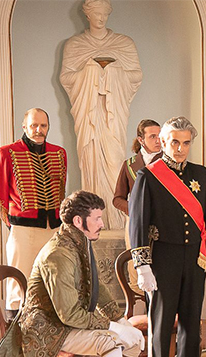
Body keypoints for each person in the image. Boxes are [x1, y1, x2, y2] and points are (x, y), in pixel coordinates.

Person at [0, 191, 176, 357]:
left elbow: (98, 290)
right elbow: (68, 314)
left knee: (132, 342)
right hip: (47, 332)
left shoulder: (79, 243)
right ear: (79, 221)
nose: (102, 223)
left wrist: (122, 322)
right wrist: (114, 329)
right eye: (97, 218)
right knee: (110, 342)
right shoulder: (58, 254)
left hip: (68, 324)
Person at [129, 116, 206, 357]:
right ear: (163, 142)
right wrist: (142, 265)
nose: (180, 149)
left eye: (186, 143)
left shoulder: (200, 173)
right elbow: (138, 224)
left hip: (195, 258)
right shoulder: (148, 176)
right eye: (174, 142)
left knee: (192, 323)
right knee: (161, 323)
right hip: (162, 260)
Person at [60, 0, 143, 230]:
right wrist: (90, 71)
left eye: (104, 14)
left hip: (113, 114)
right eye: (96, 13)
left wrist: (113, 71)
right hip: (89, 115)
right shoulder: (75, 45)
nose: (101, 18)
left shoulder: (123, 43)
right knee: (91, 162)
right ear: (87, 15)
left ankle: (116, 220)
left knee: (115, 160)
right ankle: (92, 220)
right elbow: (66, 77)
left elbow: (136, 75)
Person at [0, 108, 67, 318]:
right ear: (24, 126)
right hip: (23, 229)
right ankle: (14, 328)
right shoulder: (6, 153)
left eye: (43, 125)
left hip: (54, 229)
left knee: (53, 280)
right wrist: (13, 224)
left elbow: (61, 192)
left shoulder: (59, 153)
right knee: (18, 283)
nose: (38, 130)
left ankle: (50, 327)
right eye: (34, 125)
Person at [112, 119, 162, 219]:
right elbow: (117, 199)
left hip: (163, 220)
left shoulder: (169, 162)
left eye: (160, 136)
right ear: (141, 140)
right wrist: (133, 208)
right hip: (137, 220)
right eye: (153, 136)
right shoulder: (128, 164)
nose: (158, 140)